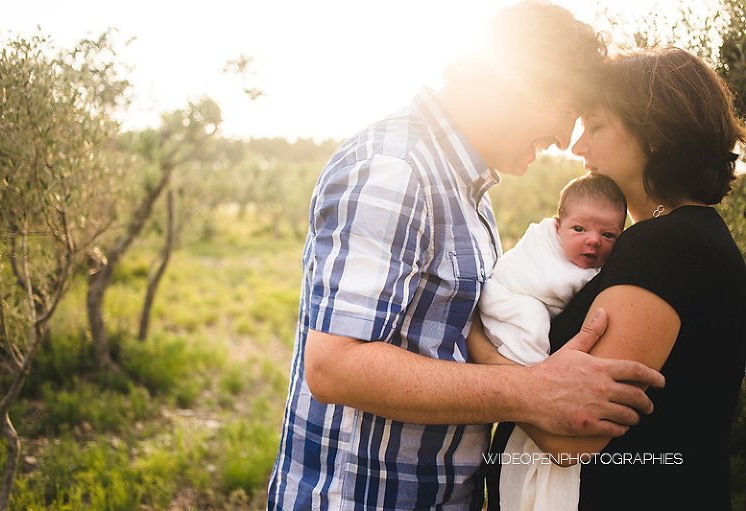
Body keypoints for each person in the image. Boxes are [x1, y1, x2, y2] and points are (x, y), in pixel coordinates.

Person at [267, 2, 665, 509]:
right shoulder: (397, 168)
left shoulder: (462, 184)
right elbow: (335, 367)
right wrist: (531, 392)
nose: (566, 140)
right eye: (568, 112)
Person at [484, 46, 746, 510]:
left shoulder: (665, 245)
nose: (577, 146)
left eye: (596, 126)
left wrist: (477, 342)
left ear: (655, 133)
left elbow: (572, 438)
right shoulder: (690, 236)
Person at [468, 173, 627, 511]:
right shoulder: (545, 251)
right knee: (531, 323)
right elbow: (557, 285)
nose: (593, 241)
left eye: (608, 235)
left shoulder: (577, 254)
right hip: (508, 299)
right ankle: (532, 380)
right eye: (579, 229)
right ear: (557, 226)